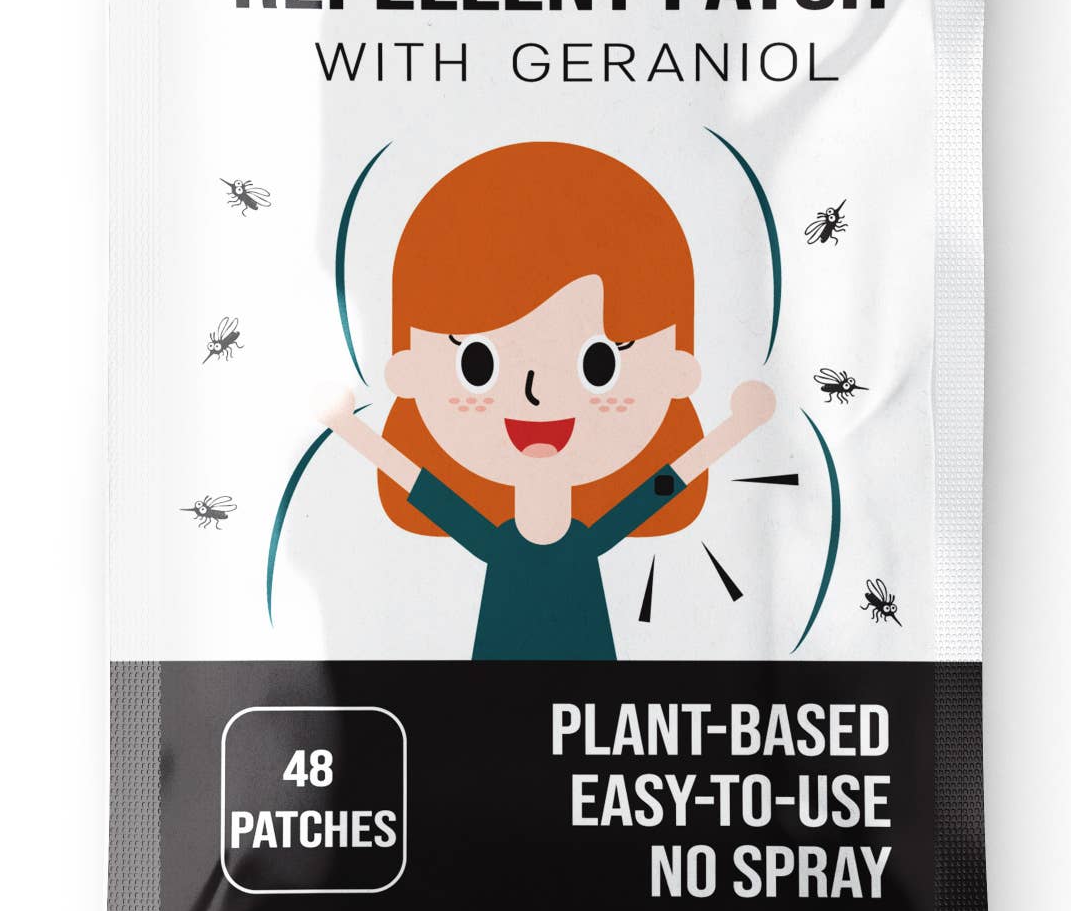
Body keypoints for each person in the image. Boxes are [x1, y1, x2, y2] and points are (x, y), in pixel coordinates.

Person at [320, 141, 775, 660]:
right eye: (477, 363)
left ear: (677, 372)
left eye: (600, 363)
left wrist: (736, 429)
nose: (535, 390)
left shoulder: (566, 540)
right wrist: (348, 428)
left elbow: (665, 484)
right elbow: (420, 485)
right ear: (408, 372)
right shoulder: (511, 541)